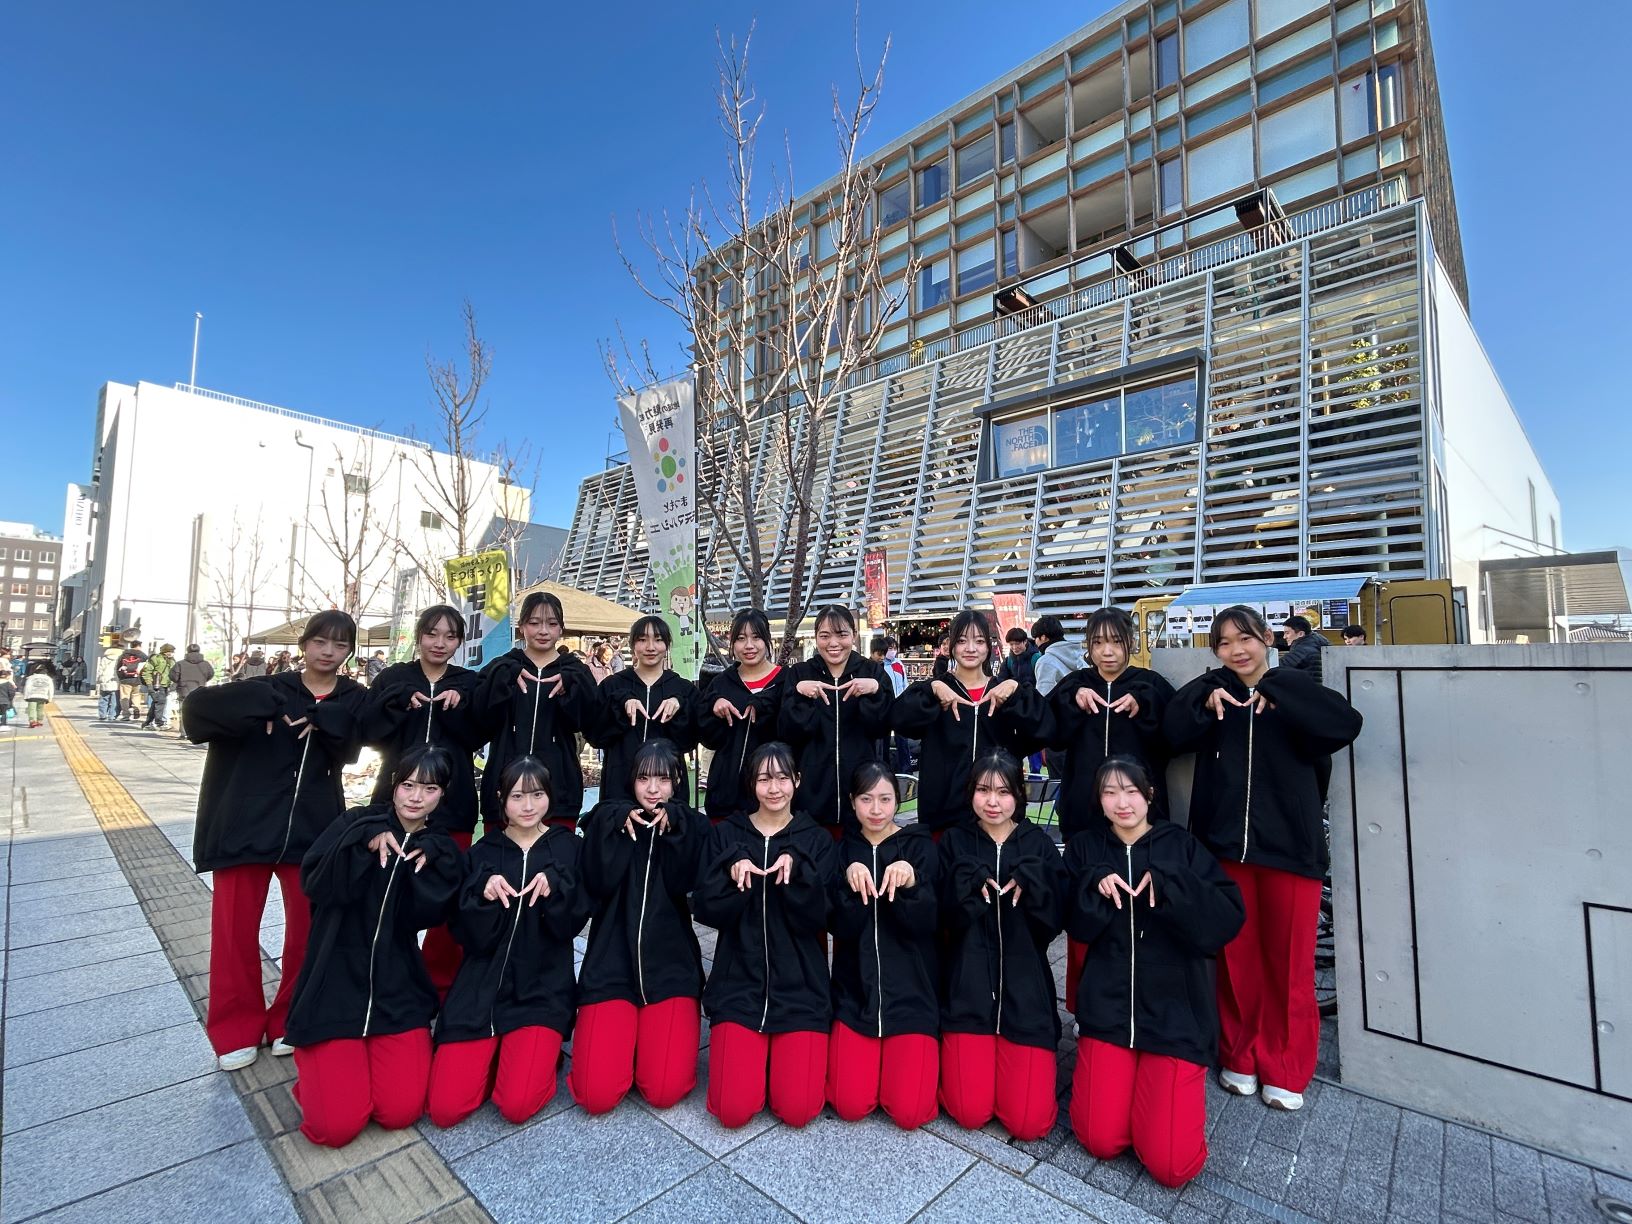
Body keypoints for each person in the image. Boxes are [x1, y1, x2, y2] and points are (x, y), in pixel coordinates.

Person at [1163, 605, 1363, 1112]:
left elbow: (1345, 725)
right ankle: (1239, 1054)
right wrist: (1207, 697)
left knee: (1289, 964)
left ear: (1267, 638)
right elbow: (1170, 731)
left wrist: (1281, 694)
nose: (1237, 650)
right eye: (1225, 643)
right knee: (1236, 960)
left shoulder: (1294, 686)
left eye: (1245, 638)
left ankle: (1287, 1066)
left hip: (1291, 850)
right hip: (1225, 849)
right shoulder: (1215, 692)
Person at [182, 610, 368, 1071]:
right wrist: (257, 704)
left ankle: (291, 1017)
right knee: (233, 934)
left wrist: (327, 719)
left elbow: (353, 747)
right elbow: (196, 713)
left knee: (308, 932)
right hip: (244, 828)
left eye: (340, 645)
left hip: (312, 831)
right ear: (304, 644)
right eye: (320, 642)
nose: (329, 652)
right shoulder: (269, 687)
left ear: (349, 652)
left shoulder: (353, 697)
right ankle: (234, 1028)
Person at [1065, 757, 1245, 1187]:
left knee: (1172, 1166)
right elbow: (1072, 922)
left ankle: (1158, 1103)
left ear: (1149, 794)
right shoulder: (1086, 848)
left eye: (1131, 791)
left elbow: (1226, 920)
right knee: (1098, 1139)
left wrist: (1171, 884)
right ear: (1099, 800)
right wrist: (1093, 883)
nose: (1122, 803)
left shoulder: (1180, 845)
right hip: (1109, 1010)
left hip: (1175, 1014)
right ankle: (1131, 1096)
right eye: (1110, 793)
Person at [285, 744, 464, 1147]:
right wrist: (362, 841)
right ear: (394, 785)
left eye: (430, 789)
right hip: (333, 986)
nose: (416, 797)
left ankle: (347, 1075)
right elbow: (315, 883)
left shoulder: (437, 847)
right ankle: (320, 1079)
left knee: (400, 1112)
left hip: (396, 988)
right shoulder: (356, 822)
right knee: (335, 1129)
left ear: (442, 794)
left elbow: (433, 913)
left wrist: (434, 857)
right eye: (408, 785)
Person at [428, 755, 591, 1128]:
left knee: (517, 1105)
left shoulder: (569, 848)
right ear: (501, 799)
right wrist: (481, 892)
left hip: (541, 989)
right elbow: (465, 934)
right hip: (480, 989)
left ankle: (538, 1053)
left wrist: (558, 886)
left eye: (537, 795)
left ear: (550, 796)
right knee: (445, 1109)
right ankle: (497, 1054)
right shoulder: (482, 853)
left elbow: (570, 924)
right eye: (518, 796)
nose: (528, 806)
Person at [692, 742, 839, 1128]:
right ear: (751, 784)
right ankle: (757, 1059)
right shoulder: (728, 835)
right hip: (738, 986)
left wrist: (801, 871)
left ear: (797, 781)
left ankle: (780, 1060)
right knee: (732, 1111)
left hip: (801, 991)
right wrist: (730, 870)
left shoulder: (817, 840)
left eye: (782, 778)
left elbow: (824, 917)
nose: (774, 788)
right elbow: (705, 908)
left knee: (798, 1111)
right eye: (763, 779)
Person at [570, 741, 709, 1114]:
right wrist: (611, 819)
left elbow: (690, 886)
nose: (653, 789)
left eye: (663, 779)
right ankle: (622, 1045)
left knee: (665, 1090)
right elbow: (594, 882)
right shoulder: (607, 822)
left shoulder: (692, 826)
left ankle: (644, 1046)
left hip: (671, 969)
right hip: (610, 968)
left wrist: (678, 829)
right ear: (630, 781)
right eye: (644, 778)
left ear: (677, 781)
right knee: (595, 1096)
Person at [1048, 607, 1176, 1011]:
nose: (1107, 652)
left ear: (1130, 644)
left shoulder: (1150, 684)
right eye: (1098, 643)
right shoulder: (1074, 684)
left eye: (1116, 642)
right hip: (1083, 821)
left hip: (1140, 827)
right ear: (1087, 647)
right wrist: (1071, 701)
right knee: (1084, 914)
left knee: (1138, 916)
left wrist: (1146, 703)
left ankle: (1136, 1003)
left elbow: (1176, 735)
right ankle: (1083, 1004)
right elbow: (1048, 732)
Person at [938, 750, 1067, 1141]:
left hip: (1026, 995)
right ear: (970, 793)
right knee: (968, 1112)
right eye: (983, 790)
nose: (992, 801)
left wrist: (1037, 886)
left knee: (1029, 1123)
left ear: (1019, 795)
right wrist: (963, 886)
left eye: (1003, 792)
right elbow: (940, 920)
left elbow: (1055, 923)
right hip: (967, 992)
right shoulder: (954, 842)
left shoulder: (1039, 845)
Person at [363, 605, 486, 994]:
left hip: (454, 804)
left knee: (448, 896)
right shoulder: (393, 678)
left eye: (450, 636)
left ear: (460, 642)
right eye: (432, 634)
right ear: (418, 636)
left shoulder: (470, 682)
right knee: (387, 894)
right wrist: (398, 702)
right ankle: (384, 981)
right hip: (394, 804)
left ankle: (439, 985)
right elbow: (369, 733)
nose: (439, 643)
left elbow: (479, 737)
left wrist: (458, 707)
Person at [826, 762, 939, 1129]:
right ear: (852, 801)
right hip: (854, 994)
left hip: (912, 996)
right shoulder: (841, 851)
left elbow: (929, 923)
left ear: (898, 800)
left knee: (910, 1113)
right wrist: (847, 882)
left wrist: (913, 882)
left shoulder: (920, 846)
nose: (876, 810)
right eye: (866, 799)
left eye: (885, 799)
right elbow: (838, 926)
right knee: (849, 1105)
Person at [891, 609, 1048, 836]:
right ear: (952, 645)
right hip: (944, 818)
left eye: (979, 641)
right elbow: (898, 720)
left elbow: (1045, 729)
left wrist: (1017, 690)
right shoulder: (937, 691)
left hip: (997, 818)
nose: (971, 648)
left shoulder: (1003, 691)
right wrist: (931, 689)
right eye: (962, 641)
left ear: (989, 647)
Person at [475, 591, 600, 831]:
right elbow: (480, 718)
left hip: (559, 790)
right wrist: (503, 679)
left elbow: (591, 723)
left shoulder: (577, 672)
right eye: (534, 623)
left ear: (561, 629)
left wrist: (572, 686)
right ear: (521, 626)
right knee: (500, 853)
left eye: (552, 624)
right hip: (504, 787)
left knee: (557, 853)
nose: (543, 631)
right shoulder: (501, 667)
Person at [778, 605, 893, 836]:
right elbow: (787, 732)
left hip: (862, 796)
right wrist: (798, 692)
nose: (833, 643)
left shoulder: (872, 672)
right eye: (824, 636)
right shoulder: (799, 673)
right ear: (815, 637)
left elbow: (883, 727)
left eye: (841, 634)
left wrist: (876, 690)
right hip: (810, 799)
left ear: (854, 635)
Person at [591, 616, 699, 807]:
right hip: (620, 787)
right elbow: (596, 736)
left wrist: (680, 706)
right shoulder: (612, 686)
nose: (650, 647)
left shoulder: (684, 689)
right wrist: (619, 705)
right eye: (642, 640)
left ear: (667, 644)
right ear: (632, 644)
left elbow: (690, 742)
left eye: (658, 640)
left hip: (668, 789)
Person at [695, 609, 785, 824]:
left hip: (774, 799)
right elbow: (708, 738)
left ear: (767, 640)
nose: (749, 645)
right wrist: (713, 709)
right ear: (733, 643)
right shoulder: (720, 683)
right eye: (741, 638)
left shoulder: (785, 681)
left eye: (756, 637)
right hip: (725, 798)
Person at [1279, 616, 1331, 685]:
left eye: (1287, 633)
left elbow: (1280, 666)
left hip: (1309, 689)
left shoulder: (1304, 649)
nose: (1284, 637)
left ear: (1301, 634)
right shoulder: (1314, 643)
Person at [140, 644, 178, 730]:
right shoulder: (156, 659)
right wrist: (149, 684)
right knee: (160, 703)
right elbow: (147, 672)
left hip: (166, 685)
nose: (172, 653)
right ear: (165, 652)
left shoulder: (172, 661)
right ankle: (158, 723)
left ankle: (148, 722)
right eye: (170, 651)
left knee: (156, 703)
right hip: (156, 684)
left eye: (172, 652)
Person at [172, 644, 216, 715]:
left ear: (187, 651)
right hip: (200, 690)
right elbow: (211, 674)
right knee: (199, 711)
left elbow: (173, 676)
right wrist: (203, 680)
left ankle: (184, 722)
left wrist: (180, 681)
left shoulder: (180, 664)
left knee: (184, 712)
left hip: (184, 690)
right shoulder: (206, 664)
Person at [115, 639, 147, 720]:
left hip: (125, 680)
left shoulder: (124, 654)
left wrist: (120, 677)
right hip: (136, 679)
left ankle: (126, 715)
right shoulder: (141, 656)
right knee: (136, 695)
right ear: (139, 646)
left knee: (124, 697)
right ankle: (136, 708)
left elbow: (118, 667)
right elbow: (146, 660)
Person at [23, 663, 55, 729]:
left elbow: (27, 687)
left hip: (32, 696)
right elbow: (51, 689)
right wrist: (50, 698)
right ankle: (39, 721)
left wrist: (26, 696)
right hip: (43, 696)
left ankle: (32, 721)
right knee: (40, 708)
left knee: (32, 709)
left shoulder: (31, 678)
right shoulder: (48, 678)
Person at [95, 646, 121, 722]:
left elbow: (100, 670)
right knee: (114, 700)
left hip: (105, 680)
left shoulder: (105, 659)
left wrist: (98, 680)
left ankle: (102, 715)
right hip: (115, 681)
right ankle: (112, 715)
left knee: (103, 699)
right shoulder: (120, 659)